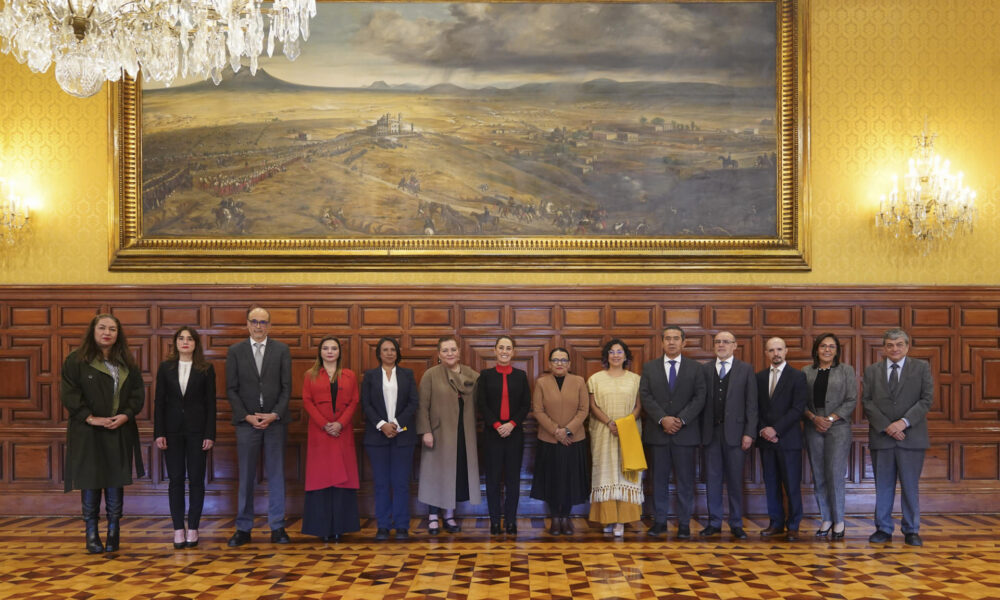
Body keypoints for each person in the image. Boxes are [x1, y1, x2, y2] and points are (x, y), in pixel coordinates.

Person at [61, 313, 145, 554]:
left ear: (118, 334)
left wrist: (126, 414)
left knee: (115, 480)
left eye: (112, 329)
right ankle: (91, 534)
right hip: (88, 431)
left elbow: (137, 394)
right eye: (102, 328)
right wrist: (90, 417)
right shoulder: (76, 360)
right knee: (91, 480)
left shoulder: (127, 362)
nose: (107, 332)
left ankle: (113, 532)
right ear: (93, 331)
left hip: (119, 429)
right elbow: (69, 393)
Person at [225, 305, 292, 547]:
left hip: (275, 423)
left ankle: (277, 527)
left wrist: (274, 414)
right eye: (254, 321)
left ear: (269, 326)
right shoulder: (235, 351)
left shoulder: (282, 350)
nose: (258, 326)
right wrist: (247, 416)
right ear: (247, 324)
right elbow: (231, 389)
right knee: (246, 477)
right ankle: (243, 528)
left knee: (276, 475)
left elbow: (287, 388)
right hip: (247, 423)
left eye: (263, 322)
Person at [863, 328, 933, 547]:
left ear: (907, 346)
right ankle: (883, 528)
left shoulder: (921, 368)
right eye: (890, 345)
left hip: (911, 437)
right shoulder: (872, 371)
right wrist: (887, 426)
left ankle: (911, 530)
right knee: (883, 486)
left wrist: (903, 422)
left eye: (899, 344)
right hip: (882, 438)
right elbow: (867, 402)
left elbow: (926, 399)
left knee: (910, 486)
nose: (895, 349)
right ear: (884, 348)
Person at [640, 325, 706, 539]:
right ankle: (659, 521)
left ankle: (684, 523)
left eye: (676, 338)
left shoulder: (696, 368)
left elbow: (699, 397)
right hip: (658, 434)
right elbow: (646, 396)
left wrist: (680, 420)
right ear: (661, 342)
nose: (671, 342)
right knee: (658, 480)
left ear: (683, 342)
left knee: (686, 481)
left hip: (685, 434)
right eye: (667, 338)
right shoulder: (649, 368)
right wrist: (663, 419)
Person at [153, 326, 216, 549]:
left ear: (196, 343)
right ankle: (178, 528)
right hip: (171, 432)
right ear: (176, 343)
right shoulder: (165, 367)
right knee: (176, 479)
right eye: (181, 338)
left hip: (198, 432)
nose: (185, 342)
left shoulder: (206, 368)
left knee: (197, 480)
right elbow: (159, 402)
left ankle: (194, 528)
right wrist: (159, 432)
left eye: (190, 339)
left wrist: (210, 434)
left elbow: (211, 404)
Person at [417, 335, 481, 534]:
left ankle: (449, 516)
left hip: (464, 434)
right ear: (439, 354)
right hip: (438, 434)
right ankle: (433, 517)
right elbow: (422, 406)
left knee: (455, 475)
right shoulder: (431, 375)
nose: (450, 353)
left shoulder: (472, 375)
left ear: (459, 352)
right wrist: (426, 430)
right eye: (445, 350)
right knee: (435, 475)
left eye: (453, 349)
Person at [301, 336, 361, 543]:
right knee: (321, 481)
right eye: (325, 348)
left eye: (333, 348)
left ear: (339, 352)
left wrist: (340, 423)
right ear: (320, 352)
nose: (329, 351)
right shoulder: (310, 375)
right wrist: (324, 424)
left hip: (342, 433)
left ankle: (340, 528)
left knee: (342, 481)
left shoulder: (349, 375)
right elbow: (307, 401)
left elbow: (354, 401)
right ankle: (322, 528)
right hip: (320, 434)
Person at [698, 330, 757, 540]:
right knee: (712, 480)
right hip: (711, 433)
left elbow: (752, 404)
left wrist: (749, 433)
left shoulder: (745, 369)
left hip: (737, 434)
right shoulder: (704, 370)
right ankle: (714, 522)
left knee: (734, 480)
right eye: (718, 342)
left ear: (735, 345)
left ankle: (736, 523)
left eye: (726, 342)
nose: (721, 345)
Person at [361, 337, 418, 541]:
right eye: (385, 350)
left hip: (403, 436)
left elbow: (413, 403)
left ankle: (402, 525)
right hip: (377, 437)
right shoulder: (370, 376)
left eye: (392, 349)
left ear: (397, 352)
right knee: (382, 483)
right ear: (379, 353)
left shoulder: (407, 374)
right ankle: (383, 525)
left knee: (401, 482)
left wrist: (395, 424)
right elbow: (366, 404)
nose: (389, 353)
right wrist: (382, 425)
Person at [802, 333, 857, 540]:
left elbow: (851, 399)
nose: (827, 350)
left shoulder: (846, 371)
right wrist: (814, 418)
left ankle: (839, 520)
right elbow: (801, 401)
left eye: (831, 347)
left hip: (838, 427)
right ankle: (825, 517)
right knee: (819, 473)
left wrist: (830, 419)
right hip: (813, 426)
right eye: (823, 346)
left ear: (837, 351)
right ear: (816, 349)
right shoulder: (806, 371)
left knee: (835, 474)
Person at [530, 347, 590, 535]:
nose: (559, 364)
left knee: (571, 479)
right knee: (552, 480)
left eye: (563, 360)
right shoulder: (541, 383)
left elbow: (583, 409)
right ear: (549, 364)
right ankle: (555, 518)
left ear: (569, 364)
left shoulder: (579, 381)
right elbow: (538, 410)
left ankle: (566, 517)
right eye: (555, 360)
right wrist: (556, 431)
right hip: (549, 439)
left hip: (574, 439)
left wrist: (568, 430)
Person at [587, 338, 643, 537]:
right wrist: (610, 422)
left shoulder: (635, 379)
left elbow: (639, 406)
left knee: (625, 472)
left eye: (620, 352)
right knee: (605, 473)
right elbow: (592, 406)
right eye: (612, 352)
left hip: (629, 433)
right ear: (606, 356)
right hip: (603, 432)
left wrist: (624, 424)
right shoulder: (595, 379)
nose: (616, 355)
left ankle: (622, 520)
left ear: (625, 356)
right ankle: (608, 518)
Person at [477, 335, 531, 535]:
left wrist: (512, 424)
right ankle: (494, 521)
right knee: (492, 480)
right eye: (501, 347)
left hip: (515, 434)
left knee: (512, 480)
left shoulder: (521, 376)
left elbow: (526, 404)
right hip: (492, 434)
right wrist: (498, 424)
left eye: (508, 348)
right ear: (495, 350)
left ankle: (510, 521)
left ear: (513, 352)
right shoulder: (485, 375)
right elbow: (481, 403)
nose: (505, 351)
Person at [755, 336, 808, 541]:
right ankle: (775, 523)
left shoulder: (797, 376)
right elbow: (755, 408)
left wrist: (775, 429)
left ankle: (793, 525)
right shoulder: (759, 377)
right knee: (771, 483)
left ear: (786, 351)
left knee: (792, 484)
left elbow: (797, 408)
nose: (775, 353)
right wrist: (763, 429)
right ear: (766, 353)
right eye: (771, 350)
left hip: (788, 439)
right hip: (765, 440)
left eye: (779, 349)